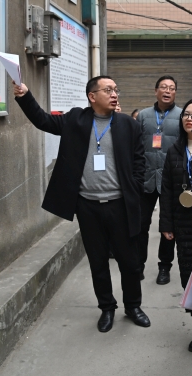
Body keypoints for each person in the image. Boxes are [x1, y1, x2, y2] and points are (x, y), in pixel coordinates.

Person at [13, 77, 149, 332]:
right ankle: (107, 308)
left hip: (120, 205)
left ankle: (133, 306)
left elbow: (140, 160)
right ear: (92, 96)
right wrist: (25, 95)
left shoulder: (128, 124)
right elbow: (43, 121)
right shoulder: (76, 119)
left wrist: (135, 187)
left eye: (116, 90)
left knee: (130, 263)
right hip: (88, 206)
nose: (114, 94)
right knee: (98, 262)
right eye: (108, 90)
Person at [159, 98, 192, 352]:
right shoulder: (174, 150)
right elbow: (167, 189)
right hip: (182, 222)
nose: (190, 119)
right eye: (186, 115)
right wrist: (166, 223)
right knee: (190, 276)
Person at [136, 76, 181, 284]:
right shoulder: (143, 116)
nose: (167, 91)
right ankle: (138, 266)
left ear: (175, 92)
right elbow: (135, 146)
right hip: (146, 179)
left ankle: (165, 267)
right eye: (163, 87)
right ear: (156, 91)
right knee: (140, 225)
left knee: (167, 226)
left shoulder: (182, 115)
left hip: (170, 180)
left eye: (172, 88)